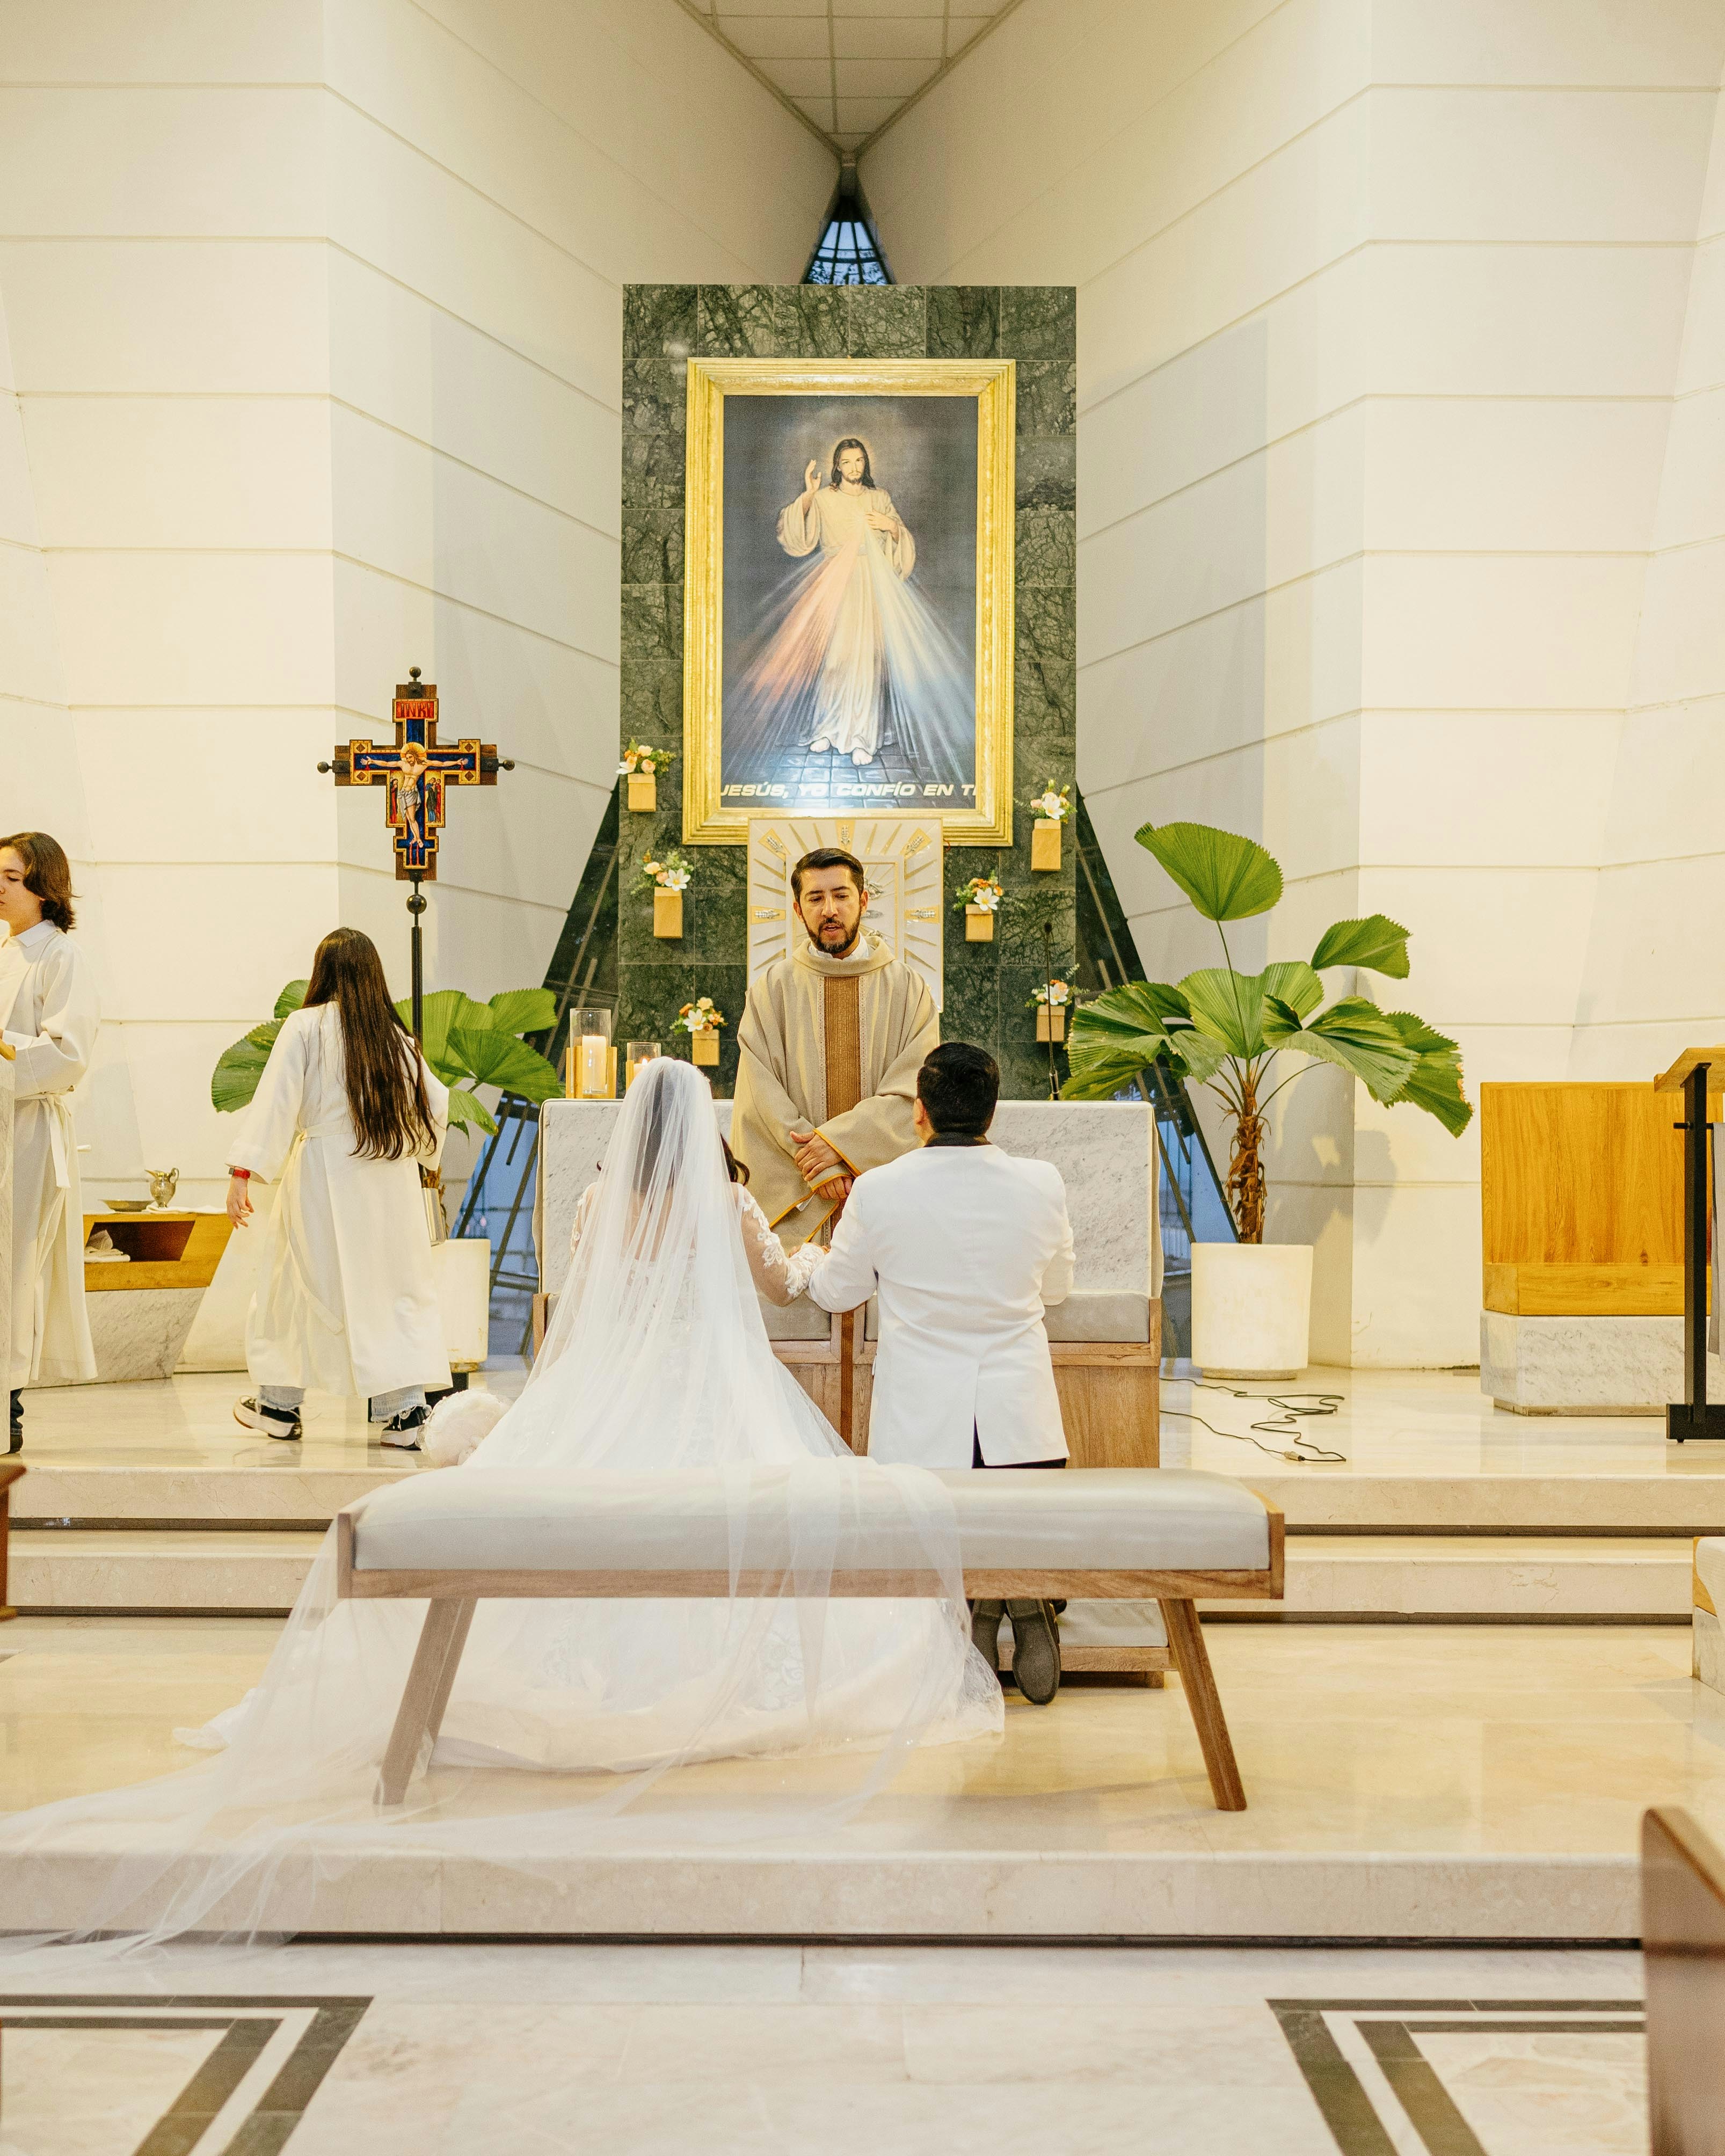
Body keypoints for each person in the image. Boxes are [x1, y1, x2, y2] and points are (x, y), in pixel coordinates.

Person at [0, 1059, 1001, 1950]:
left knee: (561, 1510)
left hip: (605, 1390)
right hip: (709, 1395)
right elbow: (787, 1288)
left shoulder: (598, 1204)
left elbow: (579, 1299)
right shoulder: (730, 1206)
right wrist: (829, 1245)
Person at [800, 1043, 1075, 1705]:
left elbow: (837, 1292)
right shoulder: (1042, 1181)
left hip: (923, 1434)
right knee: (1017, 1520)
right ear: (992, 1112)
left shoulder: (880, 1187)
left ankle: (968, 1617)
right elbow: (1059, 1287)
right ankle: (1015, 1592)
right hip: (1022, 1427)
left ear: (918, 1113)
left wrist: (810, 1255)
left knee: (933, 1542)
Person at [224, 927, 450, 1448]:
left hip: (324, 1175)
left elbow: (277, 1099)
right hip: (386, 1174)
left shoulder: (305, 1026)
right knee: (389, 1289)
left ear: (321, 971)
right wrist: (421, 1152)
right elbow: (434, 1106)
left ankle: (279, 1406)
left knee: (297, 1284)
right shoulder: (393, 1036)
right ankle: (406, 1414)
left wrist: (243, 1173)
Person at [728, 437, 973, 786]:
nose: (854, 468)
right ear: (837, 466)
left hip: (871, 585)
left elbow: (899, 541)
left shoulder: (879, 498)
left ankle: (861, 737)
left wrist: (892, 528)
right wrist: (810, 493)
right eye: (847, 462)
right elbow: (799, 539)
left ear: (865, 464)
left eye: (859, 461)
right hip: (835, 584)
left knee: (867, 662)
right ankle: (828, 727)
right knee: (836, 659)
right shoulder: (826, 498)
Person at [731, 846, 938, 1248]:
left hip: (876, 1192)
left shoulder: (907, 988)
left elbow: (914, 1092)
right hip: (801, 1187)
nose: (830, 909)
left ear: (862, 901)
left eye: (841, 896)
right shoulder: (772, 990)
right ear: (797, 909)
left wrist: (842, 1150)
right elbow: (760, 1097)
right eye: (815, 898)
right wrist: (820, 1166)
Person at [0, 832, 98, 1450]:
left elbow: (68, 1055)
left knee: (12, 1268)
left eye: (10, 877)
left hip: (28, 1129)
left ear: (44, 886)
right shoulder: (6, 950)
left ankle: (6, 1400)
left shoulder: (61, 956)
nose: (0, 888)